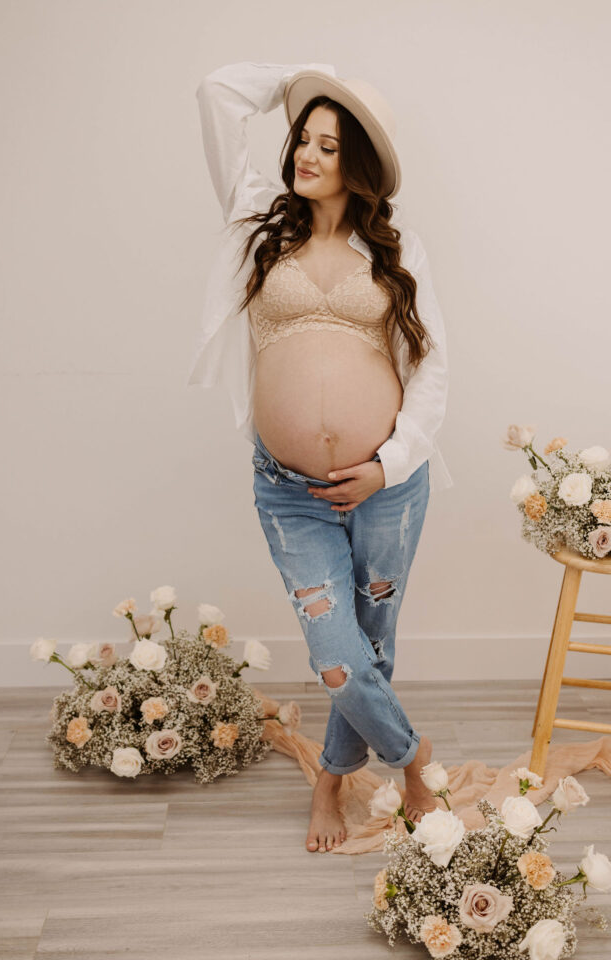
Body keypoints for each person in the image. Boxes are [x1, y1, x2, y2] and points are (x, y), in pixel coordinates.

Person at [189, 61, 454, 854]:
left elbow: (434, 363)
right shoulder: (256, 224)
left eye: (329, 144)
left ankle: (330, 784)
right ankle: (414, 762)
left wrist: (391, 461)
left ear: (359, 163)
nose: (306, 152)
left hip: (385, 488)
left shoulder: (395, 247)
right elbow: (217, 93)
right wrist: (310, 77)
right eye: (302, 136)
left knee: (369, 646)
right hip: (290, 491)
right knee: (337, 658)